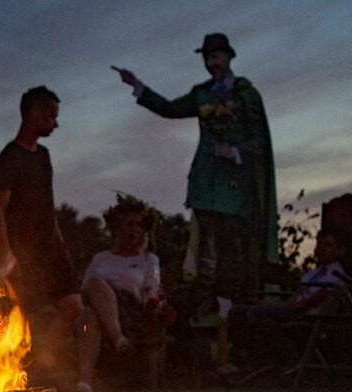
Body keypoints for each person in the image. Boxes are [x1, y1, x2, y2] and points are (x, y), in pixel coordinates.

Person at [112, 33, 277, 312]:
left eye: (215, 57)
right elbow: (170, 108)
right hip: (205, 182)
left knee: (233, 249)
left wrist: (237, 152)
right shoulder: (201, 93)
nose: (210, 63)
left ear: (228, 57)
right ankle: (205, 306)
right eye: (206, 58)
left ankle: (231, 308)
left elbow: (259, 140)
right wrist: (138, 86)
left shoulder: (245, 94)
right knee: (207, 249)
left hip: (234, 187)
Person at [0, 85, 82, 374]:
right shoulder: (9, 158)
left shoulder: (43, 156)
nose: (56, 123)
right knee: (16, 319)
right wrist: (7, 256)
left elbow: (47, 205)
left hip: (49, 248)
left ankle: (41, 364)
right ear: (35, 113)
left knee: (73, 306)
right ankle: (15, 375)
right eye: (52, 116)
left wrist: (60, 245)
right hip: (19, 251)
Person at [225, 228, 348, 374]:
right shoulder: (312, 274)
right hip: (296, 312)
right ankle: (249, 357)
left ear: (340, 250)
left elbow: (305, 304)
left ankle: (289, 356)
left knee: (256, 314)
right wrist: (271, 306)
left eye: (328, 245)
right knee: (236, 311)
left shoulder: (336, 277)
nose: (320, 249)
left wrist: (273, 308)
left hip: (310, 319)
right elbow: (294, 300)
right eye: (319, 244)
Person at [75, 198, 161, 392]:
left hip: (130, 313)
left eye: (139, 225)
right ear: (118, 227)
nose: (134, 230)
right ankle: (88, 378)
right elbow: (85, 290)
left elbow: (152, 292)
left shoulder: (148, 260)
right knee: (91, 306)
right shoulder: (101, 258)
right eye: (129, 224)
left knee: (92, 306)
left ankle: (88, 376)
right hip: (99, 310)